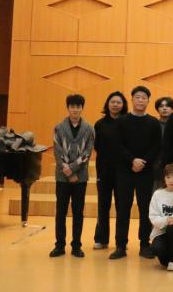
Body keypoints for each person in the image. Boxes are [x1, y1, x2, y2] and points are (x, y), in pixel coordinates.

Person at [112, 85, 162, 260]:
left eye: (144, 98)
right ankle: (120, 245)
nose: (140, 100)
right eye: (137, 97)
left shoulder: (153, 123)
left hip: (145, 172)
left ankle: (144, 245)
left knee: (145, 208)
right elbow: (117, 145)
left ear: (148, 101)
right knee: (123, 208)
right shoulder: (121, 121)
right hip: (125, 171)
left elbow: (157, 146)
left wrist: (143, 162)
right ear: (132, 99)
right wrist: (132, 160)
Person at [50, 93, 95, 258]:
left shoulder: (89, 129)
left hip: (80, 177)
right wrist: (67, 171)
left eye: (78, 106)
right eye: (72, 106)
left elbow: (87, 152)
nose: (75, 109)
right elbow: (57, 151)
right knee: (61, 211)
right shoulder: (59, 128)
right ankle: (59, 245)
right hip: (62, 177)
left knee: (78, 212)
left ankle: (76, 245)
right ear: (67, 108)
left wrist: (73, 169)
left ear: (82, 108)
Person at [93, 91, 126, 252]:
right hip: (104, 170)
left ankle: (121, 242)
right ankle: (101, 239)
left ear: (123, 105)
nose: (115, 105)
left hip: (123, 171)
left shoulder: (127, 122)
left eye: (118, 102)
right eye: (112, 102)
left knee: (122, 207)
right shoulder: (100, 124)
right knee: (103, 205)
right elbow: (97, 146)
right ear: (107, 104)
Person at [152, 96, 173, 188]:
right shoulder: (154, 125)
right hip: (157, 164)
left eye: (167, 106)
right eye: (161, 106)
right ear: (157, 109)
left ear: (172, 108)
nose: (164, 108)